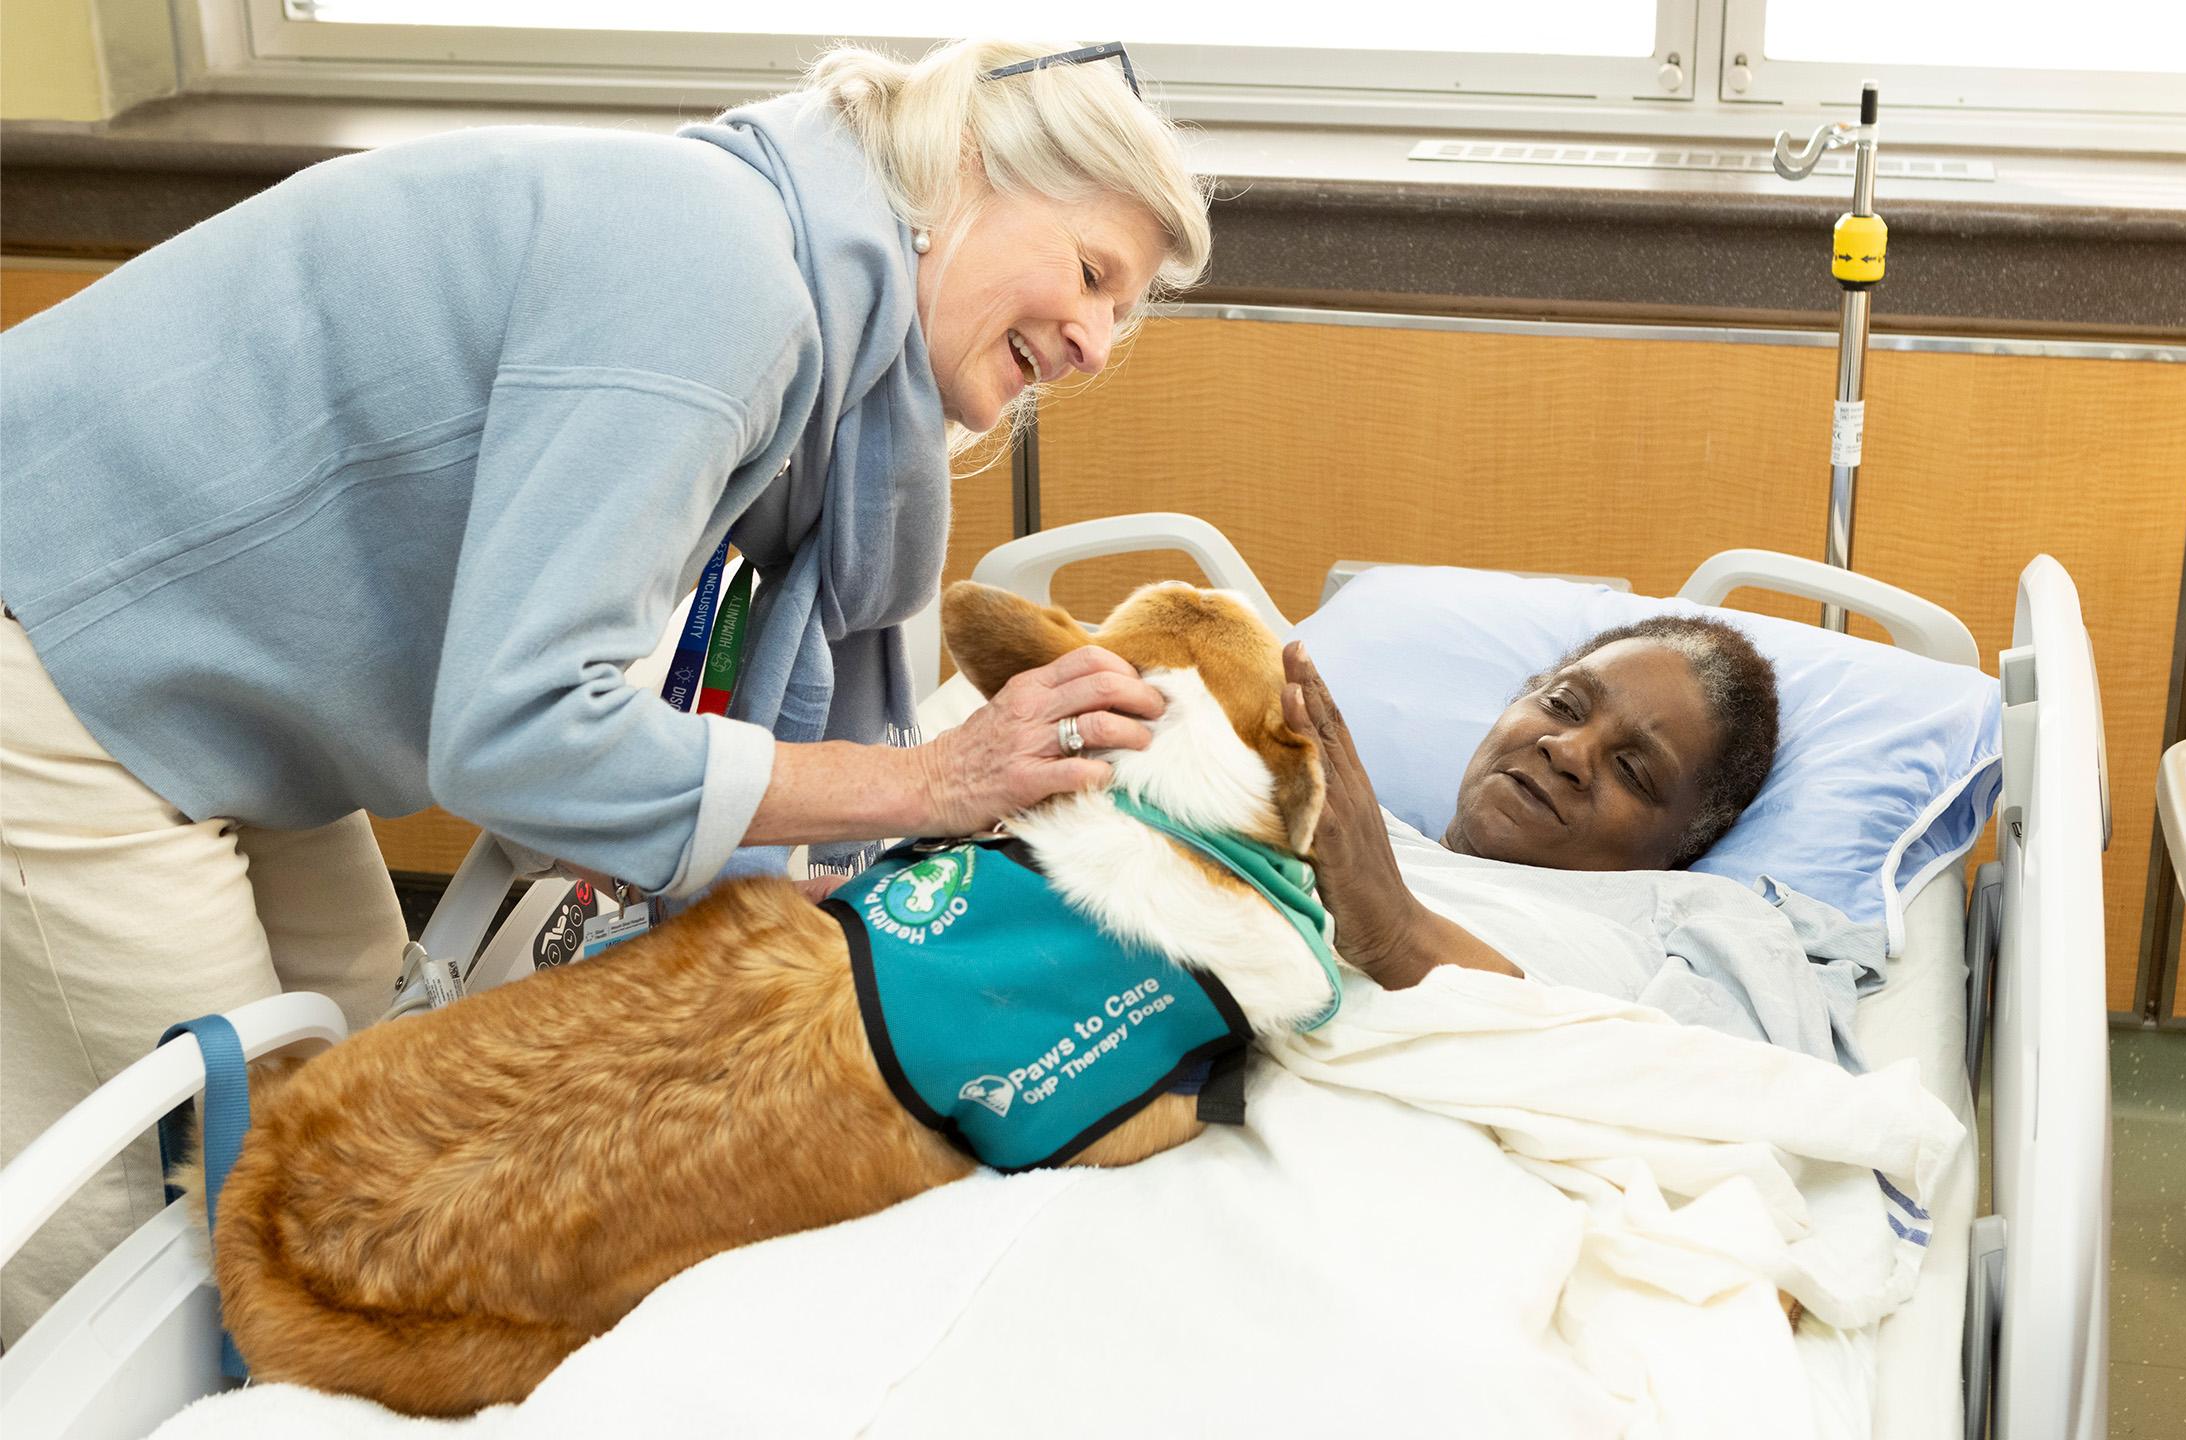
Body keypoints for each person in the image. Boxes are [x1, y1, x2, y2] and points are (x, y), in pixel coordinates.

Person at [0, 38, 1206, 1341]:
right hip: (63, 643)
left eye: (1124, 317)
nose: (1092, 344)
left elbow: (577, 655)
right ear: (966, 169)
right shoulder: (722, 278)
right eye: (1094, 275)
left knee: (355, 1119)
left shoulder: (801, 335)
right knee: (191, 1237)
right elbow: (518, 728)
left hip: (231, 679)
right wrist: (926, 781)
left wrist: (771, 878)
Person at [1282, 616, 1798, 989]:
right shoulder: (1344, 823)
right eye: (1562, 705)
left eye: (1632, 770)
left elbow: (1602, 1055)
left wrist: (1394, 937)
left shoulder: (1654, 934)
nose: (1567, 750)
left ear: (1679, 850)